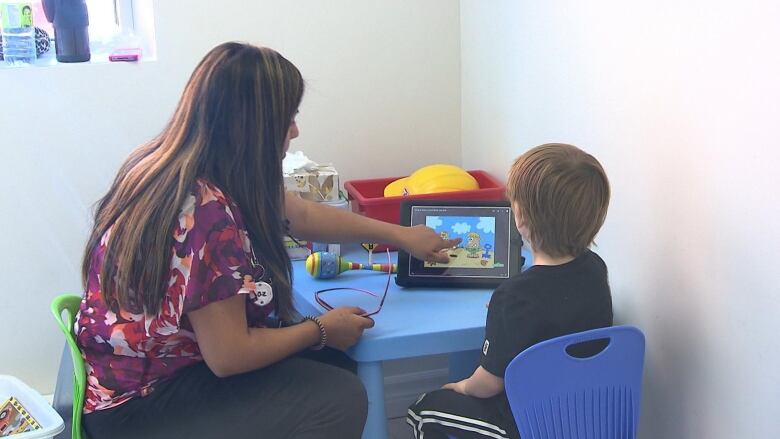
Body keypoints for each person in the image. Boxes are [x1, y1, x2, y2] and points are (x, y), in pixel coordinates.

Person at [76, 42, 459, 439]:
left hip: (137, 376)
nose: (295, 130)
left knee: (333, 365)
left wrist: (400, 235)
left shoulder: (176, 162)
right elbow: (229, 356)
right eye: (288, 117)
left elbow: (303, 215)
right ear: (253, 124)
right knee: (338, 395)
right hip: (142, 405)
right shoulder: (203, 210)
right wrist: (320, 329)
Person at [407, 143, 613, 439]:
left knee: (424, 409)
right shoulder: (595, 269)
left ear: (520, 217)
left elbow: (488, 384)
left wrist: (462, 386)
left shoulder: (514, 295)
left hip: (525, 424)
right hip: (581, 416)